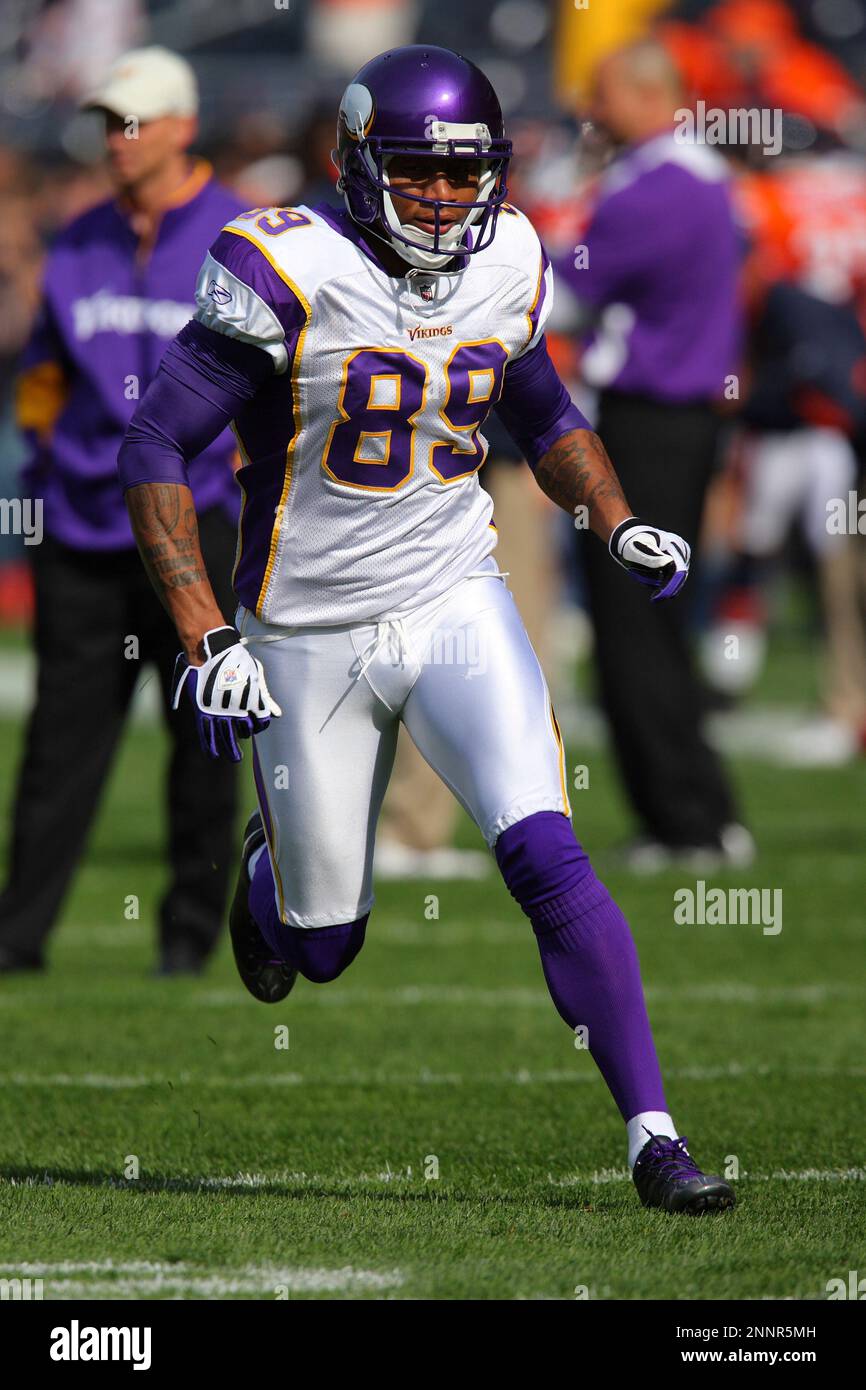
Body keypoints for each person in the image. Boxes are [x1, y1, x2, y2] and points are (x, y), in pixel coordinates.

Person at [119, 44, 735, 1214]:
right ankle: (268, 877)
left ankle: (652, 1136)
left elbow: (542, 406)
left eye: (467, 175)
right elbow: (153, 442)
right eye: (421, 173)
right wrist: (206, 636)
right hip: (305, 629)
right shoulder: (281, 265)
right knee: (323, 944)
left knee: (545, 851)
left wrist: (611, 518)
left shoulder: (506, 257)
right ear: (358, 164)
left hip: (455, 593)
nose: (449, 199)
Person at [0, 48, 243, 976]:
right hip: (84, 529)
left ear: (182, 128)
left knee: (207, 739)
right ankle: (20, 935)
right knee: (59, 746)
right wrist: (44, 458)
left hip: (199, 524)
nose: (116, 140)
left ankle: (188, 942)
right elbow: (43, 375)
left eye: (133, 122)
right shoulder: (79, 238)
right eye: (107, 123)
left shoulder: (241, 239)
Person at [555, 40, 753, 870]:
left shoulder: (659, 189)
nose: (593, 109)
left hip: (647, 419)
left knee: (632, 623)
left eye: (607, 93)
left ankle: (686, 820)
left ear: (652, 96)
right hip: (679, 417)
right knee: (652, 621)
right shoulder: (703, 181)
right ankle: (696, 813)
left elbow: (563, 296)